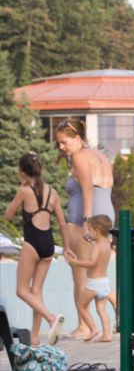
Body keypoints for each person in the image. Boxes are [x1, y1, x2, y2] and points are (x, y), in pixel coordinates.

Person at [54, 118, 115, 340]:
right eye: (59, 143)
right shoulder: (100, 156)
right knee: (100, 274)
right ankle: (113, 320)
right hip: (107, 210)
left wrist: (86, 220)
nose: (61, 147)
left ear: (77, 137)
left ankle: (84, 326)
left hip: (85, 216)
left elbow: (87, 187)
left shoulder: (79, 157)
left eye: (64, 142)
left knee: (80, 274)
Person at [4, 152, 68, 345]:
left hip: (32, 242)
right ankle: (35, 338)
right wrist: (66, 248)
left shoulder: (25, 190)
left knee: (22, 291)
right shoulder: (52, 192)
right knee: (36, 290)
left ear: (22, 171)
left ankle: (50, 317)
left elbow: (8, 215)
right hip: (48, 243)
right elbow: (62, 223)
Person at [65, 214, 114, 342]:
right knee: (101, 310)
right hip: (104, 283)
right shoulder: (107, 244)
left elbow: (92, 263)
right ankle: (107, 334)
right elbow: (96, 242)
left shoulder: (97, 247)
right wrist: (91, 240)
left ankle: (93, 329)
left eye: (90, 230)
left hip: (94, 284)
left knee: (81, 305)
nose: (89, 233)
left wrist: (74, 262)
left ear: (97, 231)